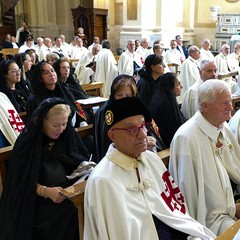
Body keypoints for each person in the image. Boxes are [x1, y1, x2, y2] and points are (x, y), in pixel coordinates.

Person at [84, 96, 216, 240]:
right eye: (131, 129)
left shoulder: (152, 159)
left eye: (143, 126)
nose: (142, 135)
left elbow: (175, 209)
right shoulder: (102, 180)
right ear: (112, 135)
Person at [0, 97, 90, 240]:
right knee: (67, 212)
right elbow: (19, 181)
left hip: (65, 191)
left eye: (64, 124)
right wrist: (45, 191)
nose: (61, 129)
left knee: (89, 204)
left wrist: (83, 165)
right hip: (35, 199)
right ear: (43, 121)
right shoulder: (28, 143)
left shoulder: (66, 134)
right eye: (56, 125)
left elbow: (75, 156)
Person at [169, 80, 240, 236]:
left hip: (232, 202)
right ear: (205, 106)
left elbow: (235, 166)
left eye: (230, 101)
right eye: (224, 103)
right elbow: (189, 196)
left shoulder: (222, 125)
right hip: (211, 219)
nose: (230, 107)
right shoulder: (187, 138)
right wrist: (232, 208)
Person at [93, 74, 165, 163]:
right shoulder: (107, 113)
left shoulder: (137, 108)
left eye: (128, 96)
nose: (123, 100)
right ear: (113, 94)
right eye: (119, 95)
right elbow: (110, 141)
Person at [27, 61, 90, 126]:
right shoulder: (34, 99)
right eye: (46, 73)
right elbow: (36, 123)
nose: (51, 74)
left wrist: (81, 121)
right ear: (40, 78)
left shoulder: (64, 91)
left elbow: (74, 110)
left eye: (52, 70)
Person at [149, 72, 186, 148]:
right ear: (170, 87)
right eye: (178, 84)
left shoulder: (164, 99)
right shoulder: (165, 105)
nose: (181, 87)